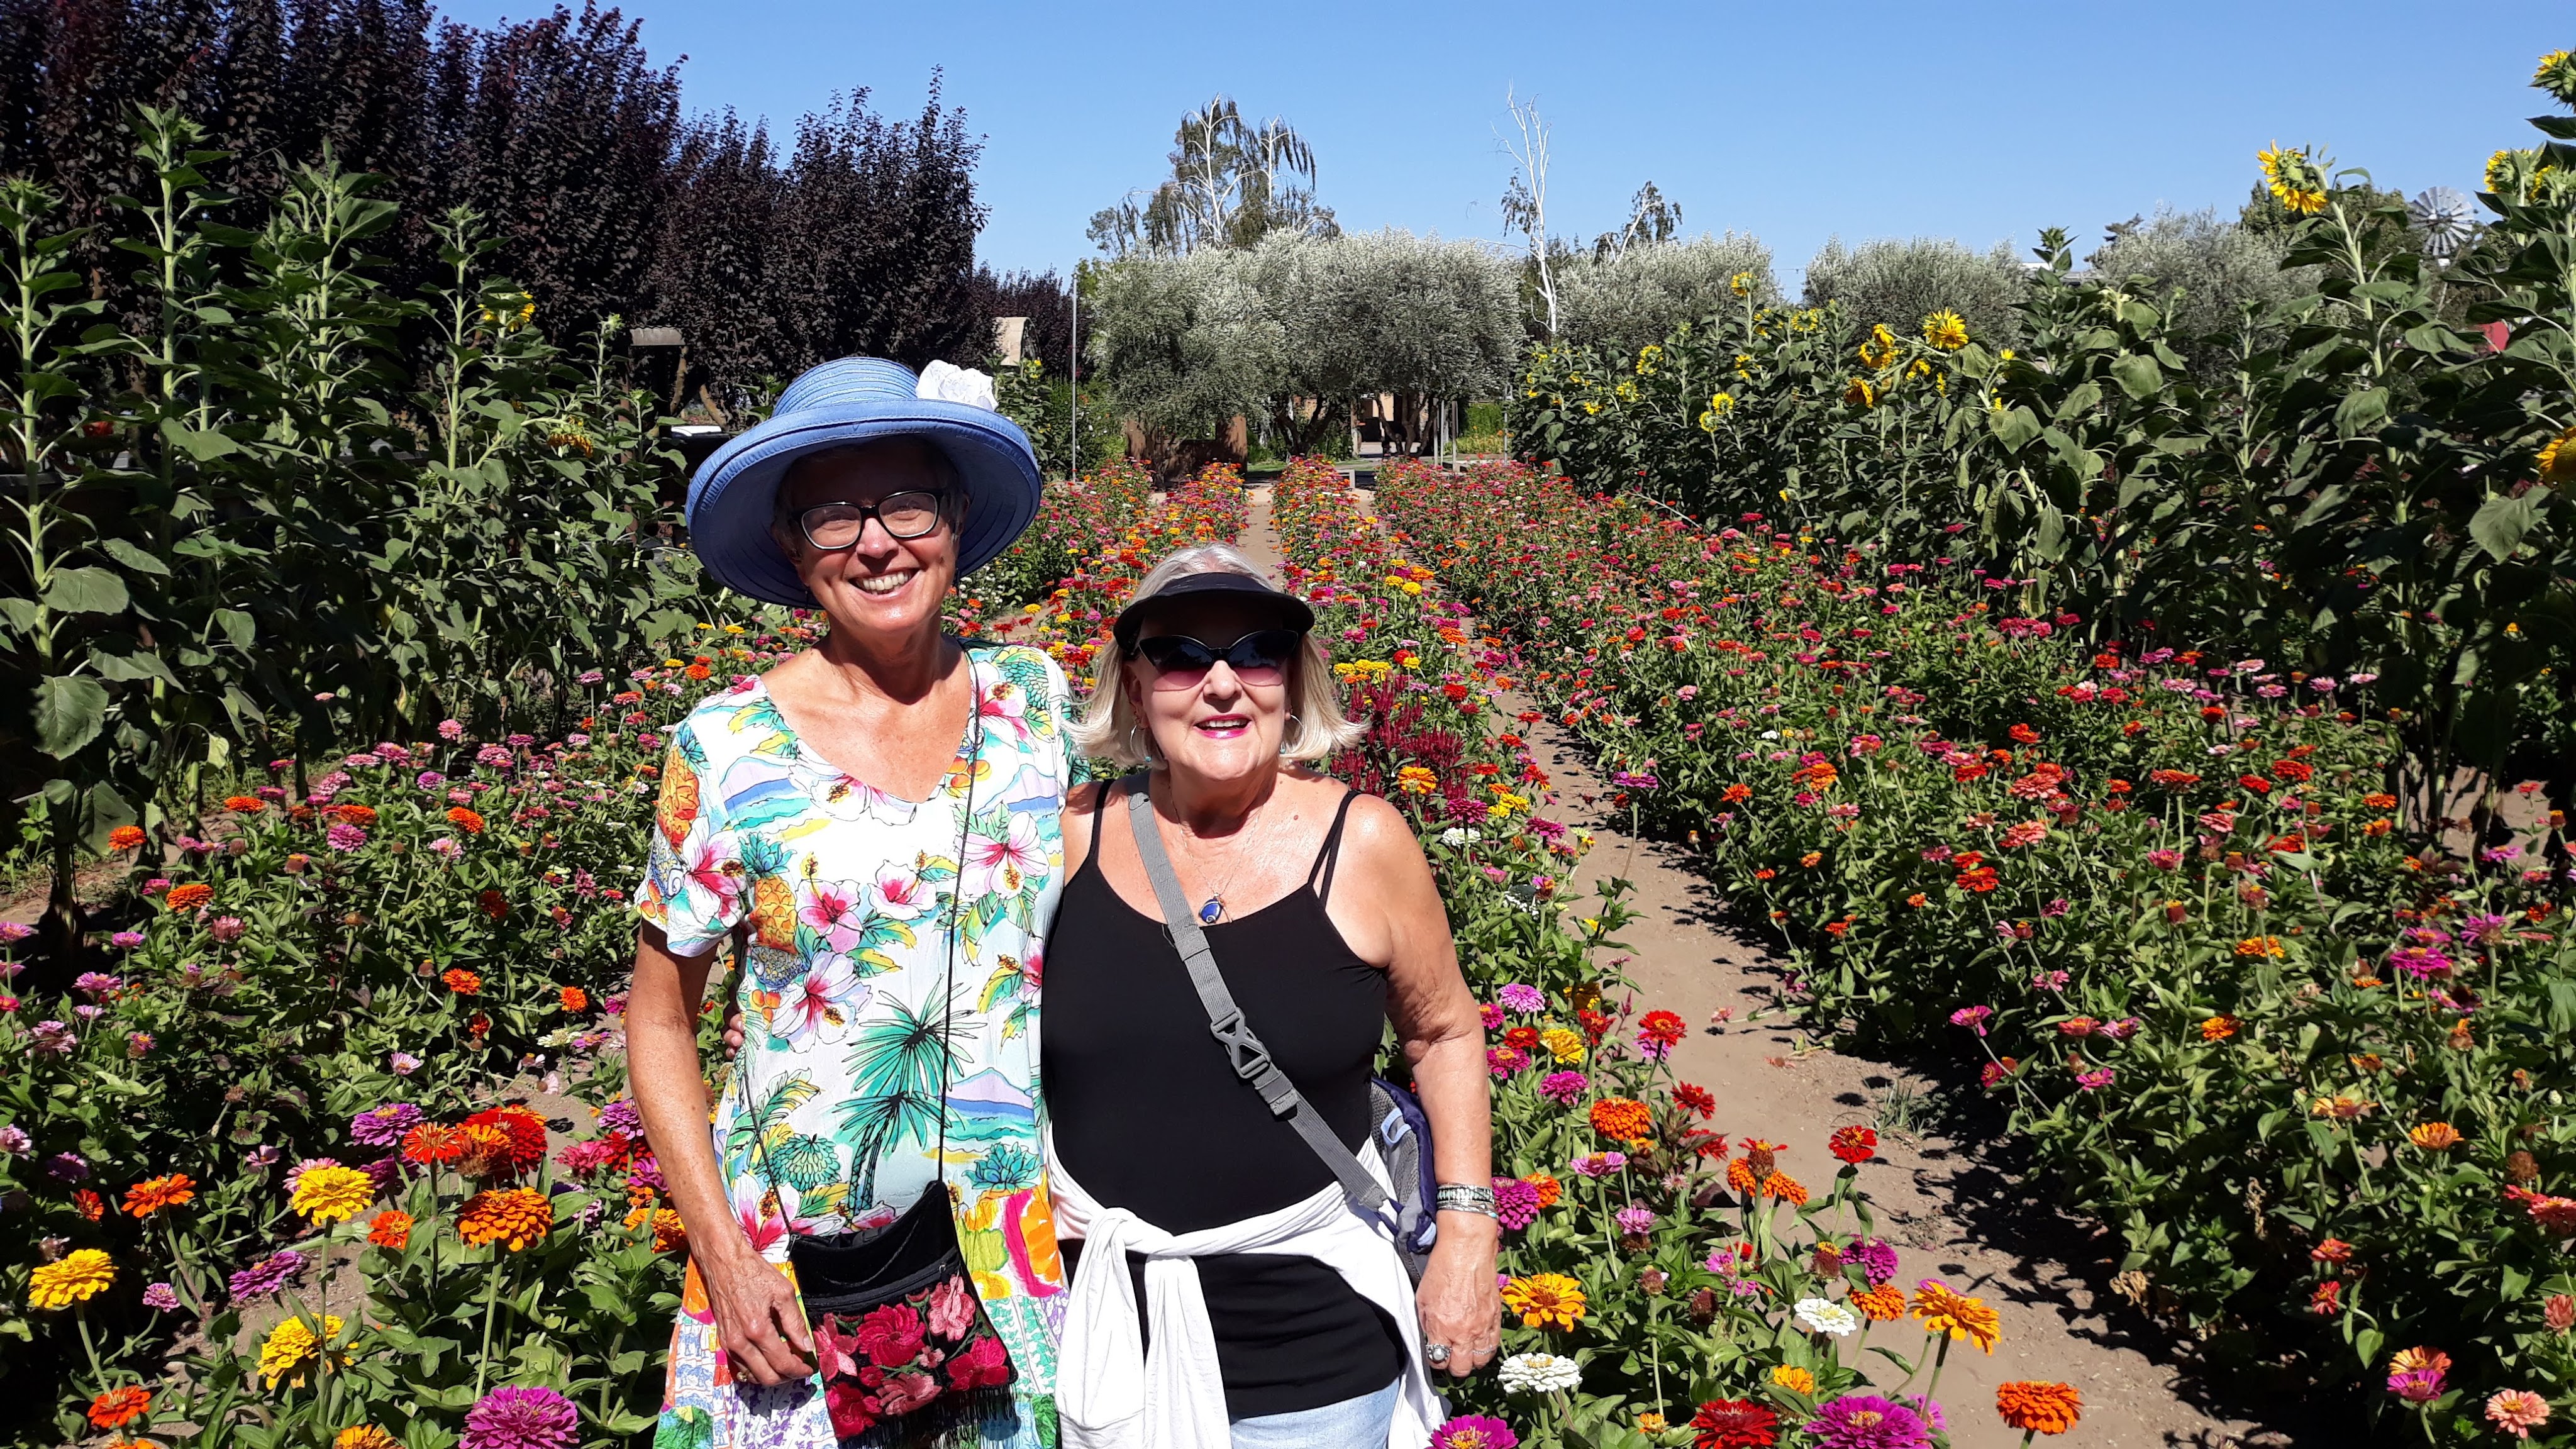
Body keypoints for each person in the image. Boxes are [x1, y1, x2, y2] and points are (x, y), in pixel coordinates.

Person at [629, 357, 1076, 1449]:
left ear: (955, 520)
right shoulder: (726, 749)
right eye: (833, 516)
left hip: (1025, 1240)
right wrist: (723, 1257)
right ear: (793, 550)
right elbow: (660, 1020)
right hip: (796, 1265)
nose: (877, 543)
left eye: (907, 503)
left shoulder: (1038, 704)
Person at [1041, 543, 1501, 1449]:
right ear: (1135, 687)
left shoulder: (1363, 842)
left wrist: (1467, 1232)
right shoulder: (1073, 833)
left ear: (1290, 681)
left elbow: (1444, 1033)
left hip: (1313, 1358)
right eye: (1179, 655)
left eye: (1256, 652)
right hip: (1101, 1336)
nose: (1221, 683)